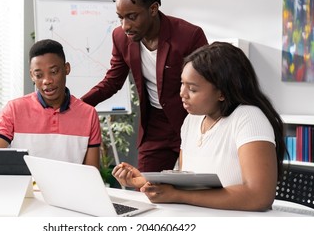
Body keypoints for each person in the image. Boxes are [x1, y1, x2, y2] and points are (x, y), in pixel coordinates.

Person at [112, 42, 287, 211]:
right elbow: (186, 180)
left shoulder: (248, 117)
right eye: (182, 84)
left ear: (222, 93)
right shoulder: (192, 120)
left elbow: (259, 196)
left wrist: (178, 195)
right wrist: (143, 180)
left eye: (193, 89)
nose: (182, 94)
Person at [81, 0, 208, 172]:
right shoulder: (120, 37)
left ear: (153, 9)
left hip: (192, 119)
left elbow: (208, 84)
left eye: (132, 17)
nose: (125, 26)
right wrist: (77, 105)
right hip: (154, 125)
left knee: (193, 188)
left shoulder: (189, 36)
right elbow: (112, 81)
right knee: (146, 188)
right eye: (121, 18)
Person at [0, 39, 101, 169]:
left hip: (68, 189)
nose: (47, 81)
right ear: (32, 76)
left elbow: (92, 172)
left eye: (54, 72)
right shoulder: (14, 109)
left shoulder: (88, 114)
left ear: (66, 68)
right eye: (39, 75)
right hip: (26, 188)